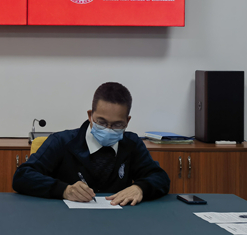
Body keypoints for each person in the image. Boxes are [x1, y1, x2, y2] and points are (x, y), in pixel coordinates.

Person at [13, 82, 169, 205]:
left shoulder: (131, 144)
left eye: (117, 125)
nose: (108, 129)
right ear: (90, 115)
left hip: (118, 221)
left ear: (127, 121)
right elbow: (22, 176)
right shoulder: (61, 142)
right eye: (101, 122)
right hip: (66, 221)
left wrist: (140, 188)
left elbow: (160, 177)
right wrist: (64, 190)